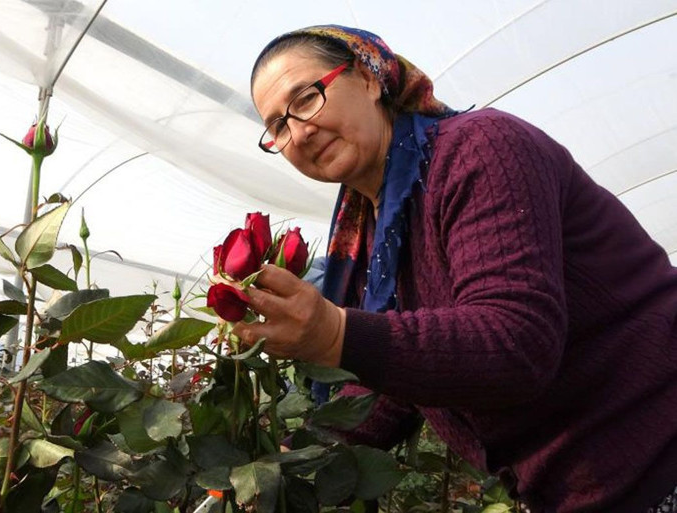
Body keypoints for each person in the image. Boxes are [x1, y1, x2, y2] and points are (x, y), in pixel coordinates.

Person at [233, 24, 677, 512]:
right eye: (278, 127)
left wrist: (336, 333)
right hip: (587, 490)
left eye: (306, 99)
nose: (298, 131)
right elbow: (400, 382)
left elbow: (517, 343)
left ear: (369, 78)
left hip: (659, 450)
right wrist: (290, 465)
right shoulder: (371, 240)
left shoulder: (480, 149)